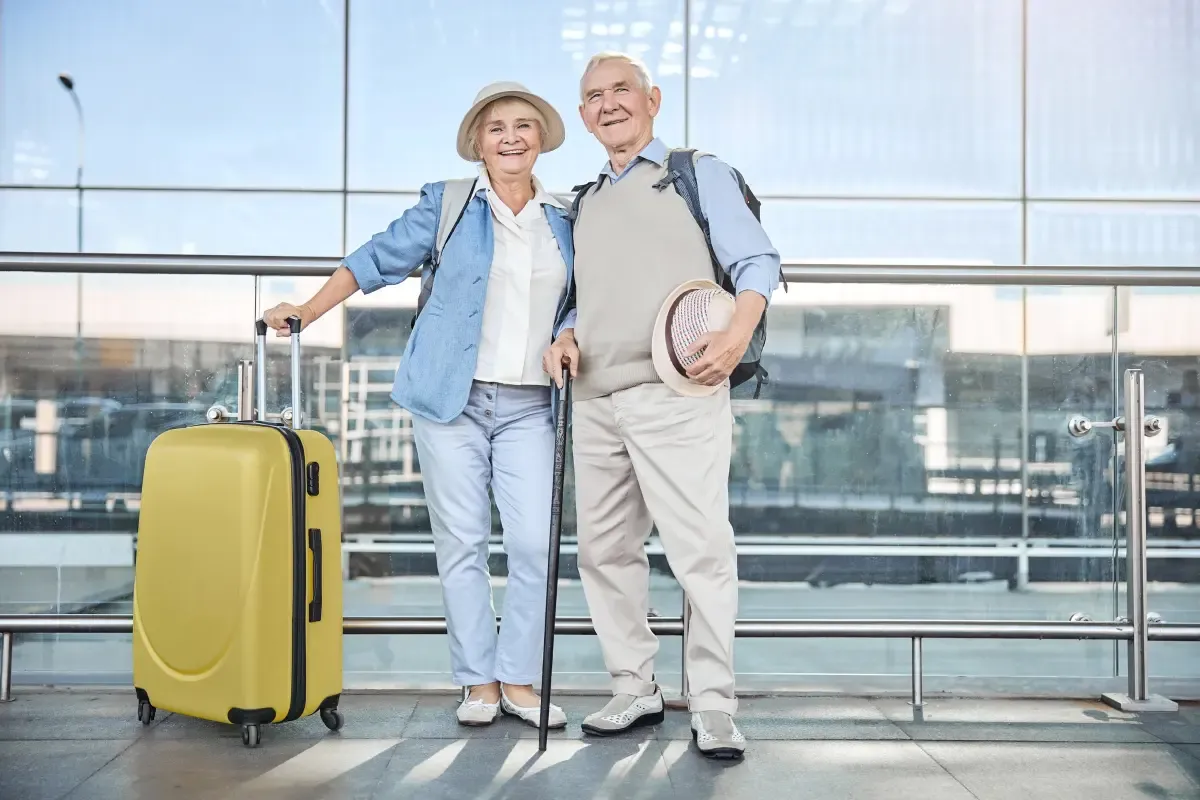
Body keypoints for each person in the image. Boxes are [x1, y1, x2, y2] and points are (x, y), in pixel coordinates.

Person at [265, 81, 575, 730]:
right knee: (461, 544)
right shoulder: (449, 204)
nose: (511, 136)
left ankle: (520, 676)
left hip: (530, 406)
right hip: (448, 400)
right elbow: (375, 261)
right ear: (477, 144)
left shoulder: (567, 217)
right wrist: (307, 309)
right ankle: (480, 683)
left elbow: (585, 298)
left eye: (523, 125)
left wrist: (572, 333)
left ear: (542, 138)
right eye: (496, 128)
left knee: (533, 544)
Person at [542, 52, 780, 760]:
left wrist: (738, 332)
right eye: (594, 96)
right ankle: (634, 686)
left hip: (677, 392)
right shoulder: (582, 202)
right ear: (583, 116)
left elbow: (756, 262)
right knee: (604, 552)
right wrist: (563, 333)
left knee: (698, 550)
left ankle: (712, 704)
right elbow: (584, 293)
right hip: (594, 398)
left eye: (621, 90)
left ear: (652, 99)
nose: (608, 103)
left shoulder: (695, 172)